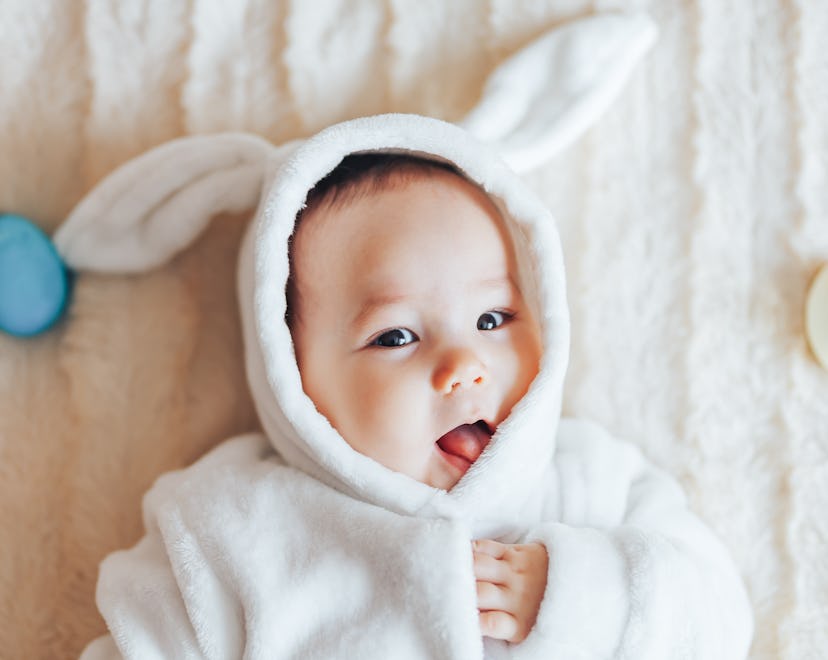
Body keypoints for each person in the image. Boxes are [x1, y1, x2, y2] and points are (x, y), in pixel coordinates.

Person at [81, 114, 753, 659]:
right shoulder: (237, 526)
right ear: (294, 379)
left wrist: (582, 594)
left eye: (493, 319)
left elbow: (720, 620)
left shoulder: (591, 484)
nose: (464, 364)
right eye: (396, 336)